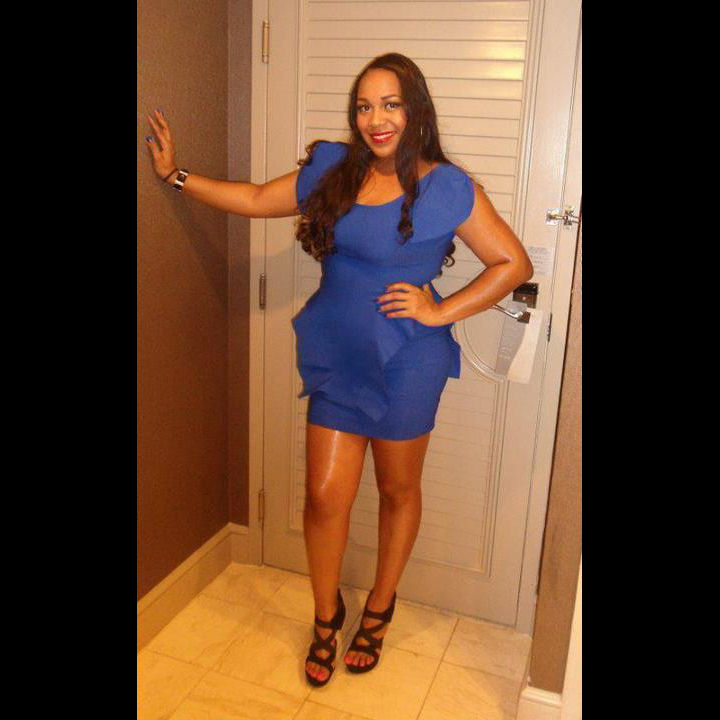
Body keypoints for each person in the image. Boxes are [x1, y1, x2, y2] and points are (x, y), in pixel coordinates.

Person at [145, 52, 533, 688]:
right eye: (364, 106)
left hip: (409, 361)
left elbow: (512, 263)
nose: (376, 119)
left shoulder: (448, 188)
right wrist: (175, 176)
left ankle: (379, 606)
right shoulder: (333, 168)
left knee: (397, 491)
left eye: (390, 104)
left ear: (415, 110)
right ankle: (327, 615)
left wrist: (440, 310)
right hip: (337, 356)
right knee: (324, 497)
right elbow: (255, 198)